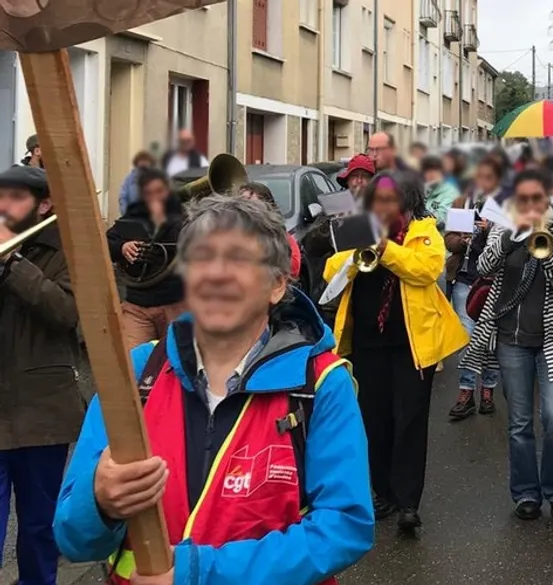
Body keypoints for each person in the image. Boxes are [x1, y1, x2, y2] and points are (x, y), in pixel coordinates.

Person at [55, 195, 374, 585]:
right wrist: (99, 502)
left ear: (276, 285)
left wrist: (201, 573)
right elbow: (73, 539)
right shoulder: (136, 373)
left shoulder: (321, 382)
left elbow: (345, 526)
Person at [324, 172, 467, 533]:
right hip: (367, 344)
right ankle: (383, 492)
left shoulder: (423, 230)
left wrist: (386, 249)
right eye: (377, 200)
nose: (382, 206)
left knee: (410, 421)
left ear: (405, 201)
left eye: (390, 199)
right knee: (375, 421)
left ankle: (408, 502)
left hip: (412, 346)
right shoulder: (359, 229)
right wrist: (356, 253)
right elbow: (330, 272)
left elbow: (426, 270)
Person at [459, 169, 553, 523]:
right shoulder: (502, 228)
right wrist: (512, 238)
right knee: (520, 422)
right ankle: (526, 492)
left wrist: (544, 246)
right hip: (511, 338)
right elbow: (483, 265)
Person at [0, 165, 81, 585]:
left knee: (38, 523)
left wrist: (12, 264)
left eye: (15, 198)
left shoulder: (66, 249)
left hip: (42, 407)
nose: (3, 206)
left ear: (44, 204)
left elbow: (67, 312)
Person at [445, 157, 504, 420]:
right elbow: (449, 240)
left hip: (493, 280)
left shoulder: (504, 206)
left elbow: (512, 239)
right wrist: (463, 240)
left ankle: (487, 390)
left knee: (490, 339)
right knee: (466, 337)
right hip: (466, 278)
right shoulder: (462, 201)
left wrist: (490, 231)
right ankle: (466, 391)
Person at [107, 168, 188, 349]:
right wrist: (122, 247)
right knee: (131, 360)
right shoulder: (131, 218)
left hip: (175, 304)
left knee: (176, 358)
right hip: (137, 305)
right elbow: (104, 242)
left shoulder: (182, 220)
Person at [238, 182, 302, 281]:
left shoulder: (277, 234)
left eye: (251, 203)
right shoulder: (233, 232)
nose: (246, 208)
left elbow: (293, 267)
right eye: (242, 202)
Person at [421, 155, 461, 231]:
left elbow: (441, 218)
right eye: (428, 171)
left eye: (435, 170)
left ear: (442, 172)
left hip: (440, 235)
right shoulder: (424, 189)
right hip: (422, 234)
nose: (431, 174)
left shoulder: (451, 192)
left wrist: (419, 216)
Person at [117, 150, 157, 216]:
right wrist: (125, 213)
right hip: (132, 215)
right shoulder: (129, 179)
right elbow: (123, 197)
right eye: (141, 160)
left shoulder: (156, 179)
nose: (144, 163)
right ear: (137, 163)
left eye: (146, 161)